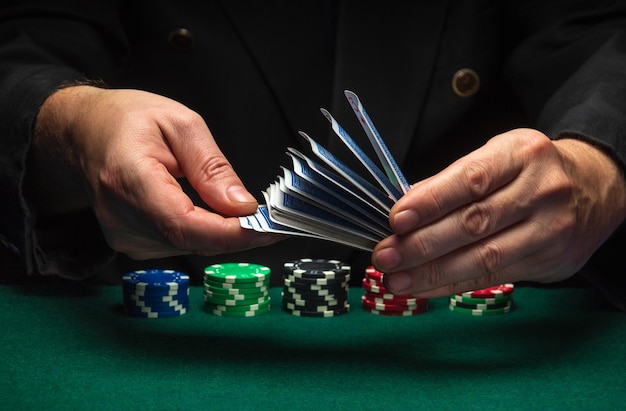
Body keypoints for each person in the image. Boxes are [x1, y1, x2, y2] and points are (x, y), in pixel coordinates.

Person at [1, 1, 625, 310]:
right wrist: (68, 122)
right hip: (153, 309)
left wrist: (602, 161)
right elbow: (23, 34)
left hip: (490, 316)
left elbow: (604, 24)